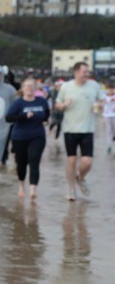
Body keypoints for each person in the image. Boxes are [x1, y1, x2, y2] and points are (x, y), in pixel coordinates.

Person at [54, 61, 103, 200]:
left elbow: (102, 101)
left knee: (87, 162)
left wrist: (99, 104)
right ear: (76, 72)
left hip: (88, 129)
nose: (86, 74)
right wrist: (64, 104)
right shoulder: (66, 86)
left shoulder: (94, 85)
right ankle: (71, 190)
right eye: (84, 72)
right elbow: (57, 104)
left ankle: (80, 178)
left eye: (87, 72)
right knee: (71, 160)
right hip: (70, 129)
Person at [5, 77, 50, 200]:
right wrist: (24, 116)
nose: (29, 88)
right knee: (21, 163)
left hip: (38, 136)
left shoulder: (41, 101)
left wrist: (46, 122)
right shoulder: (18, 103)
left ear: (35, 88)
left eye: (32, 86)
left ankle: (32, 190)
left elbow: (46, 114)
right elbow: (8, 118)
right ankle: (21, 185)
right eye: (27, 86)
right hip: (20, 137)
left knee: (34, 161)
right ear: (23, 89)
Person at [102, 82, 115, 153]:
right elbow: (100, 104)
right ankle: (109, 146)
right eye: (109, 89)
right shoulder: (104, 96)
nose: (110, 91)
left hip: (114, 115)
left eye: (112, 89)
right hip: (106, 116)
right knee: (108, 130)